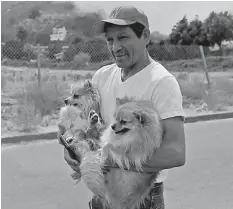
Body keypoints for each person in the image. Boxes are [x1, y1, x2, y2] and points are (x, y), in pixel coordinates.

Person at [61, 5, 186, 209]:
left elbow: (176, 152)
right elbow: (86, 127)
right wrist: (73, 147)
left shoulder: (161, 82)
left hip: (139, 198)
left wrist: (109, 159)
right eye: (110, 39)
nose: (115, 47)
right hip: (103, 193)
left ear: (145, 36)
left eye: (123, 37)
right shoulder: (102, 76)